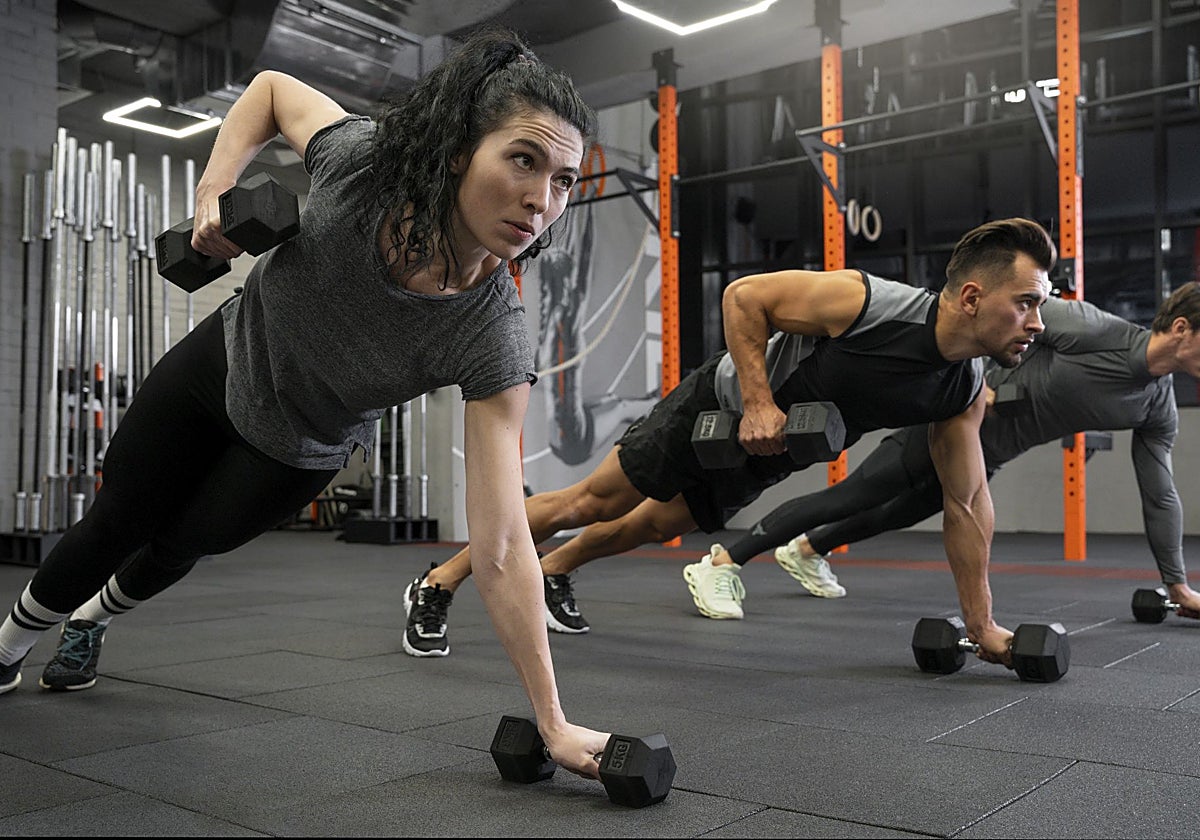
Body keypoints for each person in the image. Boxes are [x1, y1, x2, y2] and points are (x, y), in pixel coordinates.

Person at [0, 28, 612, 779]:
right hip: (217, 364)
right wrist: (212, 193)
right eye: (523, 159)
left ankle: (91, 622)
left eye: (563, 180)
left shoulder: (490, 337)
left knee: (184, 542)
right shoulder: (363, 162)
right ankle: (9, 646)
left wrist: (553, 721)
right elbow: (268, 91)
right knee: (116, 518)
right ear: (460, 151)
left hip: (295, 448)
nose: (539, 198)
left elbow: (506, 543)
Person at [402, 217, 1055, 667]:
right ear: (972, 296)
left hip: (773, 451)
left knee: (653, 528)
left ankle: (555, 572)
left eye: (1042, 306)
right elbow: (746, 297)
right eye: (1027, 302)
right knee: (591, 503)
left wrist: (981, 624)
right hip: (716, 407)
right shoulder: (869, 302)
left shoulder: (962, 392)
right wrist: (760, 402)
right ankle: (438, 582)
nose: (1037, 322)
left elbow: (967, 506)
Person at [755, 283, 1200, 618]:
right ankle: (722, 561)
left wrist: (1177, 585)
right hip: (950, 423)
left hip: (992, 454)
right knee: (854, 495)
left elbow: (1160, 495)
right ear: (1181, 328)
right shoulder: (1098, 329)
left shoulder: (1157, 407)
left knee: (897, 514)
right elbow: (994, 322)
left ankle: (807, 550)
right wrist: (975, 381)